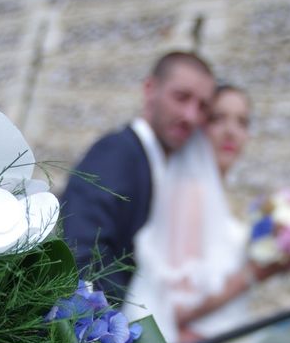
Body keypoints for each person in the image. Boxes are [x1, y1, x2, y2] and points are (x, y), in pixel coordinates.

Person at [123, 85, 290, 343]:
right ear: (200, 127)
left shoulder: (219, 198)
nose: (231, 131)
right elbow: (176, 311)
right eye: (217, 118)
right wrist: (253, 274)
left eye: (242, 122)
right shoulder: (190, 193)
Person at [61, 51, 216, 301]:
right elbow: (81, 251)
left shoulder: (160, 167)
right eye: (181, 97)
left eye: (202, 107)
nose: (191, 116)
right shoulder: (117, 152)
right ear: (150, 89)